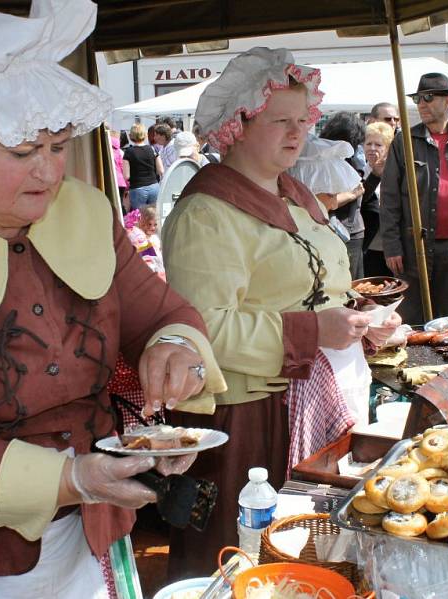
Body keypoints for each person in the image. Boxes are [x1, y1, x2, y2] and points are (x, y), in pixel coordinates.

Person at [0, 2, 226, 597]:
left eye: (58, 148)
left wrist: (176, 346)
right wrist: (73, 477)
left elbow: (163, 313)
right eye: (24, 153)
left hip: (94, 520)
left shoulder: (82, 210)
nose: (50, 173)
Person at [161, 47, 401, 578]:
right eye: (280, 122)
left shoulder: (296, 194)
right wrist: (316, 330)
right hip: (250, 417)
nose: (298, 134)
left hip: (315, 397)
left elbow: (319, 286)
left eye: (302, 120)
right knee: (246, 558)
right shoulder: (207, 213)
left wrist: (361, 321)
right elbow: (204, 329)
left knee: (308, 556)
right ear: (236, 127)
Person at [379, 72, 448, 324]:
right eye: (418, 99)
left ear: (447, 102)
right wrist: (392, 245)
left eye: (428, 97)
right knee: (413, 316)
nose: (421, 104)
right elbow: (390, 197)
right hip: (415, 245)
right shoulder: (405, 140)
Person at [319, 111, 368, 278]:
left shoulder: (348, 158)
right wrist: (351, 194)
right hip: (334, 229)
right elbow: (323, 202)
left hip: (351, 230)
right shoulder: (326, 161)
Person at [360, 121, 395, 277]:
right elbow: (359, 202)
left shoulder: (396, 174)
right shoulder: (358, 171)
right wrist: (374, 176)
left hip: (393, 248)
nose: (372, 148)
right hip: (368, 246)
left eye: (378, 145)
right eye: (369, 143)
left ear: (387, 149)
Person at [123, 122, 164, 210]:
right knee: (153, 216)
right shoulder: (152, 149)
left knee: (139, 218)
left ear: (131, 136)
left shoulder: (129, 152)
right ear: (145, 135)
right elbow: (161, 170)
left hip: (137, 188)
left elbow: (126, 176)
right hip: (154, 186)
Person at [125, 205, 165, 279]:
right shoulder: (140, 237)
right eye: (149, 224)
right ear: (142, 223)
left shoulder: (154, 238)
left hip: (158, 268)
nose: (152, 228)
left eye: (155, 225)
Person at [108, 129, 129, 208]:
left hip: (111, 180)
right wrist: (127, 185)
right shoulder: (119, 151)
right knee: (119, 204)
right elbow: (122, 168)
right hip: (121, 182)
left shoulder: (106, 149)